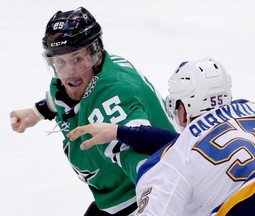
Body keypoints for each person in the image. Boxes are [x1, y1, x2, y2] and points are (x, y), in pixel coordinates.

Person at [9, 6, 178, 216]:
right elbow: (63, 98)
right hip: (118, 194)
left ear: (95, 54)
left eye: (77, 59)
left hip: (139, 198)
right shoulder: (82, 78)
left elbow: (133, 153)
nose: (69, 71)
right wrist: (37, 111)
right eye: (60, 61)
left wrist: (157, 203)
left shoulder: (111, 99)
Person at [67, 58, 255, 215]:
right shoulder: (254, 112)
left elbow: (181, 147)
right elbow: (185, 141)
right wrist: (119, 131)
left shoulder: (178, 159)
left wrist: (120, 133)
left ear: (183, 108)